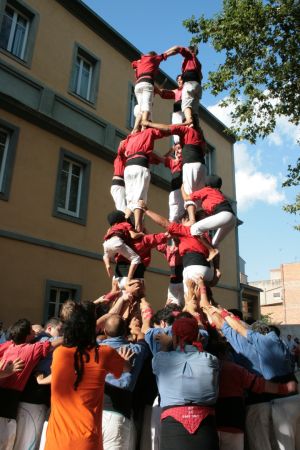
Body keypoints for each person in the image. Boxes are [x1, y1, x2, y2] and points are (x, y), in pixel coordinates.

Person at [44, 302, 133, 450]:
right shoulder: (104, 353)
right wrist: (125, 360)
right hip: (87, 441)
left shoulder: (59, 354)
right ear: (94, 329)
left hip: (56, 442)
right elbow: (126, 368)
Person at [152, 316, 219, 450]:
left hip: (171, 427)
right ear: (198, 336)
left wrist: (166, 345)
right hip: (206, 427)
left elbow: (161, 358)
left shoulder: (160, 359)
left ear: (174, 337)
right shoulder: (211, 359)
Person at [142, 117, 207, 223]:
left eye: (180, 148)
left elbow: (168, 129)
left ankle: (193, 221)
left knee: (191, 203)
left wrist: (148, 124)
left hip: (183, 191)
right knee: (175, 218)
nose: (178, 151)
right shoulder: (173, 162)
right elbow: (158, 158)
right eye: (176, 150)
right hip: (176, 191)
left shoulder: (184, 160)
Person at [99, 314, 149, 450]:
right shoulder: (135, 350)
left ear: (104, 331)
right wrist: (137, 330)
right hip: (118, 416)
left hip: (94, 414)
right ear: (125, 332)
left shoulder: (96, 349)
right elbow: (143, 343)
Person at [117, 127, 169, 231]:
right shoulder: (148, 132)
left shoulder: (130, 138)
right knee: (139, 199)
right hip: (140, 166)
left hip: (128, 168)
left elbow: (120, 148)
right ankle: (138, 227)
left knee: (130, 200)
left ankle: (122, 226)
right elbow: (166, 130)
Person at [181, 174, 236, 250]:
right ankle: (214, 259)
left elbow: (186, 198)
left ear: (207, 185)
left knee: (194, 229)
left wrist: (182, 188)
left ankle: (211, 251)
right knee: (214, 243)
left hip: (224, 215)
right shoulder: (218, 193)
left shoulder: (207, 190)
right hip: (232, 219)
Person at [131, 50, 171, 132]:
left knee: (141, 108)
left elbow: (133, 64)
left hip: (138, 85)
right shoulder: (153, 59)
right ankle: (144, 127)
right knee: (146, 106)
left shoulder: (141, 61)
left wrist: (138, 64)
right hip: (147, 83)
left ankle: (135, 128)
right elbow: (164, 55)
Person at [165, 45, 202, 123]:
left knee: (185, 105)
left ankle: (189, 121)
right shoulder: (198, 62)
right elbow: (201, 76)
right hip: (198, 85)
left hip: (190, 83)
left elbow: (177, 48)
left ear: (190, 51)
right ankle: (196, 126)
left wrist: (165, 54)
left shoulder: (189, 55)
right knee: (194, 110)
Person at [103, 210, 142, 281]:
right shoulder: (125, 224)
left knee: (106, 255)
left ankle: (107, 265)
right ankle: (129, 278)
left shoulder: (110, 229)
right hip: (116, 242)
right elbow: (133, 236)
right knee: (136, 258)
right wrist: (141, 234)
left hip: (106, 243)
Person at [156, 75, 184, 143]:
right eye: (178, 80)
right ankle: (177, 143)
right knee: (176, 132)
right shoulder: (176, 91)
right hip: (177, 111)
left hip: (184, 110)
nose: (179, 81)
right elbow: (164, 93)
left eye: (181, 79)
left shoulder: (188, 89)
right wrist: (159, 90)